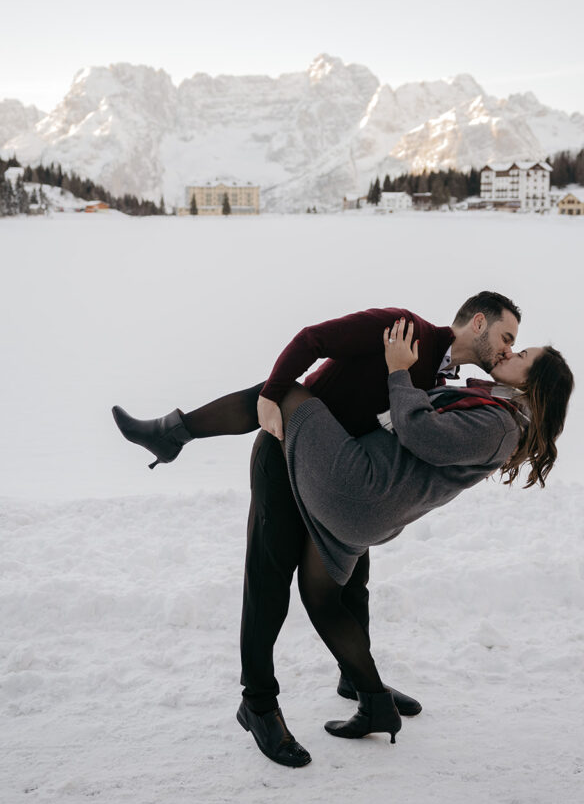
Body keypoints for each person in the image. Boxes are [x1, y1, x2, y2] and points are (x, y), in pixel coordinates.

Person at [113, 293, 524, 767]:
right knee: (268, 580)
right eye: (507, 336)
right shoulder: (404, 328)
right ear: (479, 322)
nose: (508, 349)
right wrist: (270, 394)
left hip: (340, 473)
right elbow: (312, 339)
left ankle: (359, 681)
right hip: (284, 455)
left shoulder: (441, 376)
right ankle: (258, 703)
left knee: (352, 586)